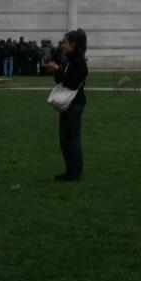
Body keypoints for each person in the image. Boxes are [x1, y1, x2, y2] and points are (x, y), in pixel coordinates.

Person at [45, 28, 88, 183]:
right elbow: (61, 80)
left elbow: (71, 83)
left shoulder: (79, 62)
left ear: (73, 44)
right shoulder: (69, 59)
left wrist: (58, 70)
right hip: (69, 104)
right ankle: (70, 171)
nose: (62, 45)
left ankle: (74, 174)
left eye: (65, 42)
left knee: (72, 140)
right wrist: (55, 71)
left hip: (74, 104)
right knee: (65, 140)